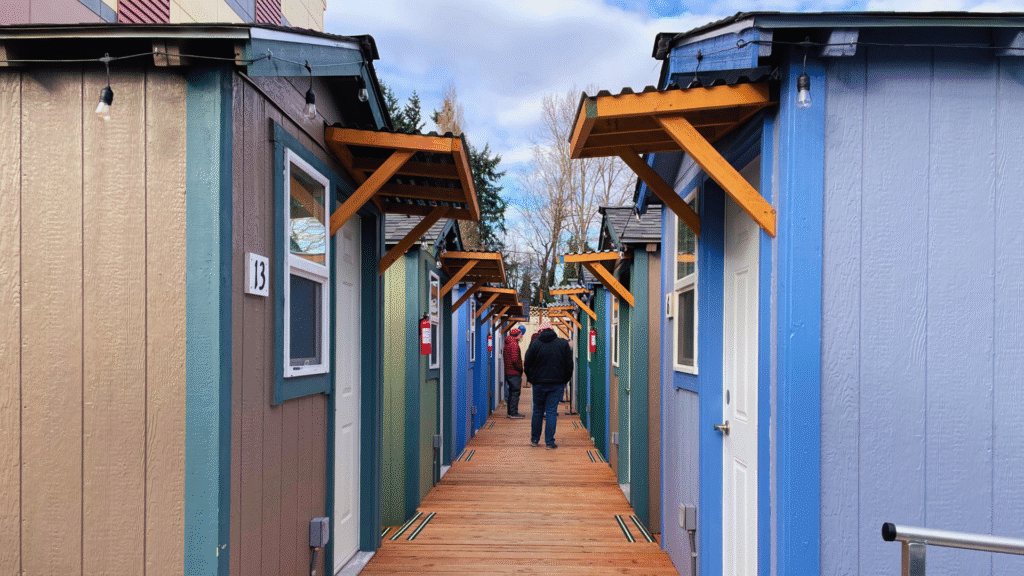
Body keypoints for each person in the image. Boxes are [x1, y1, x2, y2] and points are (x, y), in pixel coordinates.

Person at [523, 321, 574, 449]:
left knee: (538, 411)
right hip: (557, 384)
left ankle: (535, 440)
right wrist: (565, 380)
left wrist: (531, 379)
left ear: (540, 331)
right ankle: (549, 442)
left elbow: (527, 364)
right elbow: (569, 365)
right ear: (552, 330)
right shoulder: (563, 344)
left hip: (538, 383)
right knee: (551, 412)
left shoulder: (535, 344)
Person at [503, 326, 526, 418]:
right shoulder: (514, 345)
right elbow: (515, 360)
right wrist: (521, 369)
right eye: (520, 334)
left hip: (508, 371)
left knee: (511, 392)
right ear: (516, 335)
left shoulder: (508, 343)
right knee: (515, 392)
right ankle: (513, 413)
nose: (521, 336)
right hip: (514, 372)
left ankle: (510, 412)